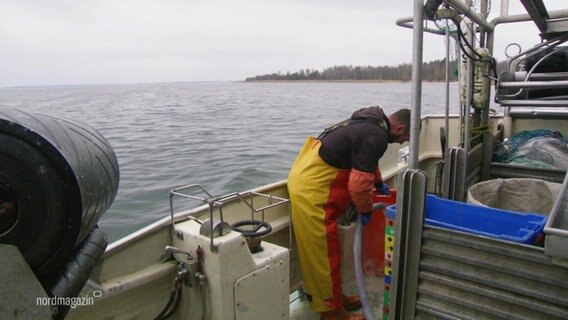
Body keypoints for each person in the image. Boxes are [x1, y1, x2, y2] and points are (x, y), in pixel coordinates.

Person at [287, 106, 411, 320]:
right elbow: (358, 184)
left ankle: (336, 297)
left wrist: (379, 182)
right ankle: (332, 314)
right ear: (400, 128)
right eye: (406, 137)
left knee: (331, 251)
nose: (403, 142)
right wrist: (365, 210)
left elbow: (364, 160)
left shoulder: (371, 126)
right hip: (313, 191)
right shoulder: (376, 135)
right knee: (324, 256)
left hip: (310, 177)